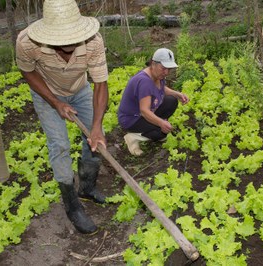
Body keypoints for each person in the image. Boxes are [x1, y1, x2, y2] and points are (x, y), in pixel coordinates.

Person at [16, 0, 109, 235]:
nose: (67, 43)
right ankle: (72, 206)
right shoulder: (27, 42)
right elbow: (27, 71)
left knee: (95, 139)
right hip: (47, 93)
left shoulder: (93, 42)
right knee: (59, 145)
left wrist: (96, 126)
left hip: (80, 89)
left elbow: (100, 85)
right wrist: (55, 102)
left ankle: (86, 188)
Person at [118, 48, 189, 156]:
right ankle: (133, 137)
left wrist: (177, 94)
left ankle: (151, 129)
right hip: (132, 119)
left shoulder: (156, 75)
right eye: (163, 68)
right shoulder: (144, 81)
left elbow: (161, 88)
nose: (166, 72)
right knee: (161, 132)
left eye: (169, 69)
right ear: (153, 63)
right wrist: (161, 123)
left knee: (171, 101)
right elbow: (144, 111)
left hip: (143, 113)